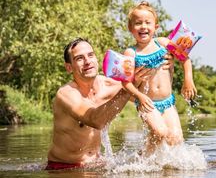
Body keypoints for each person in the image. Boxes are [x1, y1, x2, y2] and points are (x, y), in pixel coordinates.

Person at [46, 38, 172, 170]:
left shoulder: (108, 84)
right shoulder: (66, 94)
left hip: (96, 164)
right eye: (79, 58)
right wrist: (129, 89)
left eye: (90, 55)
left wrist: (164, 64)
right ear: (69, 67)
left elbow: (152, 96)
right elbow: (95, 120)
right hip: (64, 169)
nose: (88, 62)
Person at [121, 1, 197, 150]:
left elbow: (185, 59)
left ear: (155, 27)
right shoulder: (131, 53)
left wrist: (188, 80)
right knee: (160, 132)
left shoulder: (163, 43)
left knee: (176, 139)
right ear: (130, 28)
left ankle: (162, 168)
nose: (143, 26)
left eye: (147, 23)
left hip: (168, 102)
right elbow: (125, 83)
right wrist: (139, 96)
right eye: (138, 23)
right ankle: (145, 160)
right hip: (147, 102)